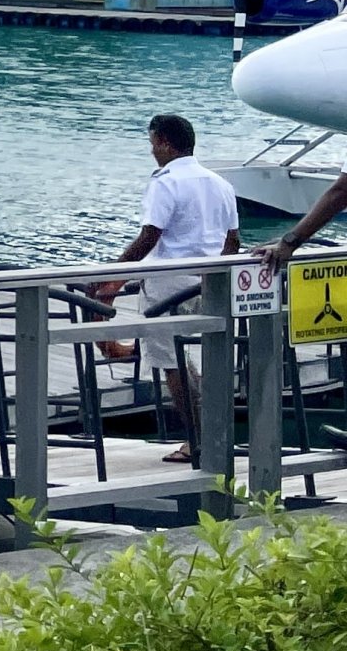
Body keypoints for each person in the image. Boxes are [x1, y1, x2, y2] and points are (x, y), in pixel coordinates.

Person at [95, 112, 240, 459]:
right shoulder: (221, 184)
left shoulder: (165, 182)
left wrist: (112, 276)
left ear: (163, 142)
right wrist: (212, 276)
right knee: (200, 359)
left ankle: (197, 442)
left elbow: (150, 235)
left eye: (151, 143)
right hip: (207, 283)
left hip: (168, 283)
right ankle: (216, 435)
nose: (151, 151)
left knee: (171, 363)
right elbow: (233, 242)